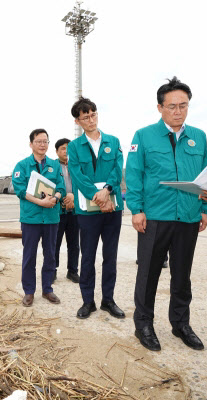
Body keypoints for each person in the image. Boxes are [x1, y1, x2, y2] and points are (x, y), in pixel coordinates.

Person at [126, 76, 207, 352]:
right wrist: (136, 209)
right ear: (160, 108)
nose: (178, 111)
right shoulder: (144, 135)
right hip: (155, 217)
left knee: (182, 274)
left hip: (187, 215)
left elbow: (206, 176)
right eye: (172, 106)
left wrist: (204, 208)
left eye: (183, 105)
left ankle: (180, 323)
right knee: (148, 274)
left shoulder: (198, 137)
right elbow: (134, 174)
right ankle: (144, 324)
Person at [67, 97, 125, 320]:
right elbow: (77, 176)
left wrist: (108, 190)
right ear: (78, 121)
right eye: (85, 117)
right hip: (87, 211)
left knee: (110, 256)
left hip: (112, 209)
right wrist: (97, 196)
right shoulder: (74, 146)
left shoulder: (112, 140)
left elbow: (117, 168)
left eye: (93, 114)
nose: (91, 120)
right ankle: (87, 301)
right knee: (88, 256)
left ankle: (108, 300)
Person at [12, 129, 66, 307]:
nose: (43, 145)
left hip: (51, 218)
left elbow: (62, 187)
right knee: (29, 256)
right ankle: (29, 291)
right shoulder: (22, 165)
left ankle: (47, 289)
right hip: (31, 218)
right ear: (31, 144)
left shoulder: (54, 165)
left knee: (50, 255)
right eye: (39, 141)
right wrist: (39, 202)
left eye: (45, 141)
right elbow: (20, 190)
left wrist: (56, 198)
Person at [54, 138, 80, 284]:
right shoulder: (52, 166)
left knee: (74, 243)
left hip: (75, 210)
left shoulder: (76, 165)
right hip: (58, 210)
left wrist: (74, 198)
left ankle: (73, 271)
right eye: (63, 148)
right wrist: (64, 198)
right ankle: (52, 270)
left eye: (69, 148)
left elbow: (82, 183)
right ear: (57, 151)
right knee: (54, 242)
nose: (66, 151)